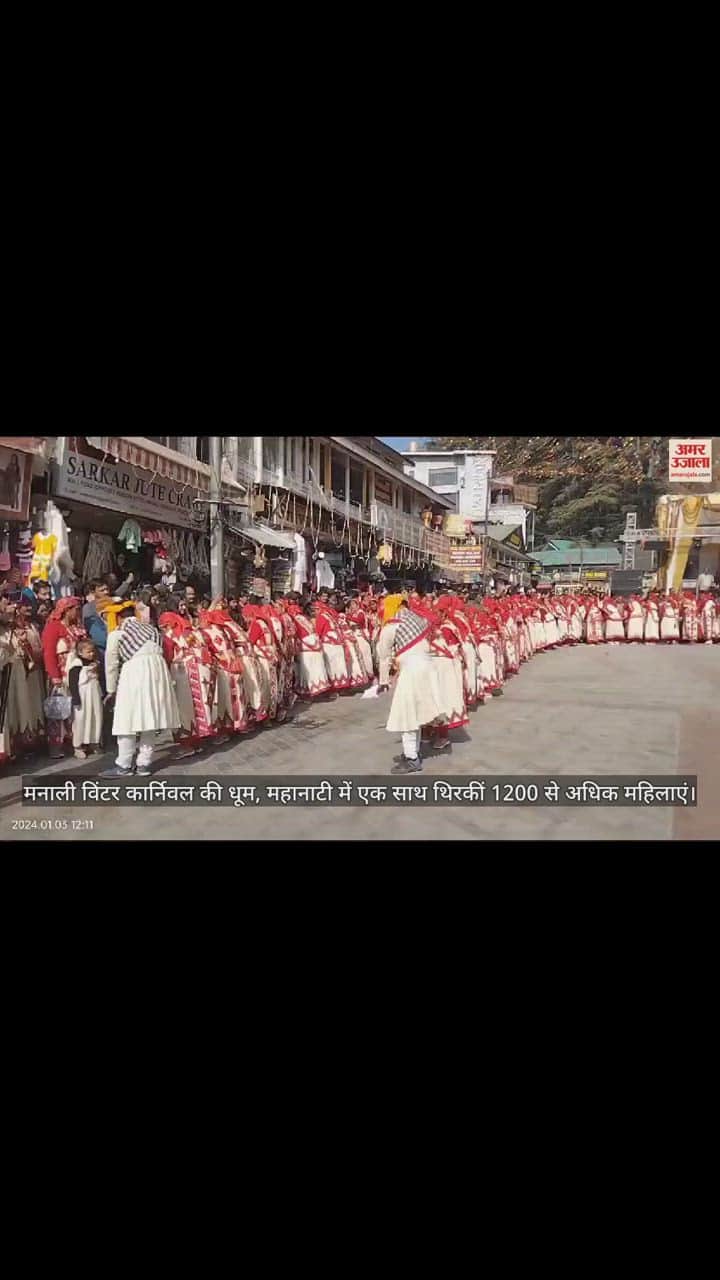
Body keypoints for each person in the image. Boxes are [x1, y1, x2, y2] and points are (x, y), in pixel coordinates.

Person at [101, 608, 180, 777]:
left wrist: (111, 690)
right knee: (149, 719)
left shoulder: (117, 634)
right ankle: (144, 764)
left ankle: (123, 765)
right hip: (158, 674)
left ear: (120, 618)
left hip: (134, 674)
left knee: (126, 720)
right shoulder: (152, 630)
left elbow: (111, 664)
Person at [386, 606, 445, 774]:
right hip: (426, 669)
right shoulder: (418, 621)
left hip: (412, 673)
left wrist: (384, 680)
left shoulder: (391, 626)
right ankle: (413, 752)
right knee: (416, 714)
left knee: (407, 715)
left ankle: (411, 758)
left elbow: (383, 654)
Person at [159, 609, 219, 757]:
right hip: (201, 671)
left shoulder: (169, 637)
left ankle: (187, 745)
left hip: (182, 674)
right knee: (199, 705)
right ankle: (198, 740)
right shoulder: (192, 632)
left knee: (184, 709)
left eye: (163, 626)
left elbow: (168, 657)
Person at [41, 597, 86, 758]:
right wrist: (54, 675)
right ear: (67, 610)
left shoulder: (77, 626)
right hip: (61, 674)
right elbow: (48, 652)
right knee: (58, 710)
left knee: (77, 709)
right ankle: (56, 745)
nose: (78, 612)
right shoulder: (53, 627)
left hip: (78, 674)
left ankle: (77, 743)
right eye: (75, 608)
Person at [5, 601, 45, 756]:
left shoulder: (31, 627)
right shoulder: (8, 632)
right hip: (15, 673)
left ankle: (34, 739)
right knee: (18, 705)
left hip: (31, 671)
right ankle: (17, 744)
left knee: (33, 703)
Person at [67, 638, 104, 758]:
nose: (91, 654)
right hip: (83, 696)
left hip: (94, 695)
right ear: (80, 652)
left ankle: (93, 741)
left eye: (92, 651)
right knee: (81, 719)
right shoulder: (76, 665)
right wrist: (76, 698)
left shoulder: (95, 663)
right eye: (88, 652)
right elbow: (72, 683)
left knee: (95, 717)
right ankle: (78, 746)